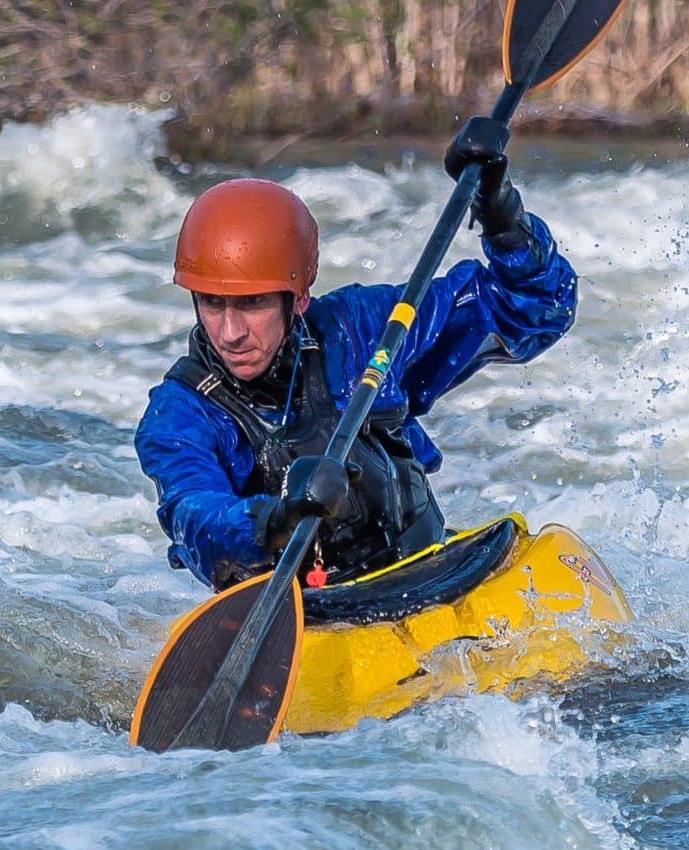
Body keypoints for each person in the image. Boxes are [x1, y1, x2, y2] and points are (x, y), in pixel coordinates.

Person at [135, 118, 577, 591]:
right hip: (307, 616)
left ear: (298, 296)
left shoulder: (362, 330)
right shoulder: (178, 413)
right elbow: (193, 514)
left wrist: (501, 215)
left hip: (428, 576)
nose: (230, 332)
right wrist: (274, 520)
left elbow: (536, 309)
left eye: (253, 303)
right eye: (211, 303)